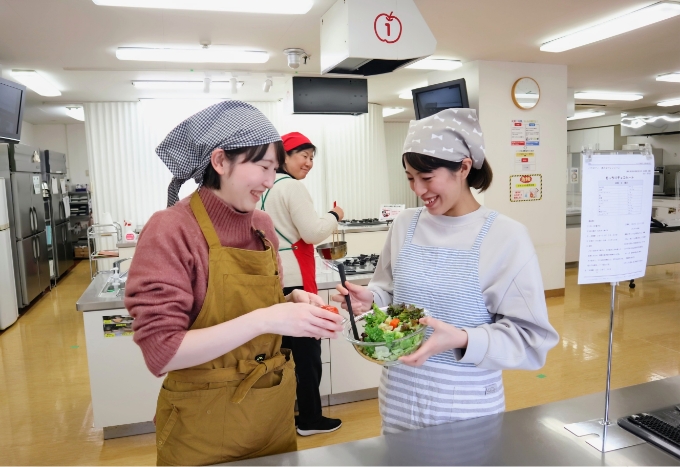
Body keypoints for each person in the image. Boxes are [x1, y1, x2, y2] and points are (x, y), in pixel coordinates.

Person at [124, 101, 343, 466]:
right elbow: (162, 351)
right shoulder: (170, 229)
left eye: (274, 168)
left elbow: (249, 309)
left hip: (270, 414)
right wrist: (269, 318)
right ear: (220, 161)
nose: (270, 181)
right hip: (203, 422)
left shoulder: (262, 225)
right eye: (263, 167)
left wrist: (289, 302)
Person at [332, 108, 559, 434]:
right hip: (399, 402)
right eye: (410, 178)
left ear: (463, 167)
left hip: (467, 412)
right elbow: (390, 291)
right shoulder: (405, 225)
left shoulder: (505, 236)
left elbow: (531, 340)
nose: (417, 189)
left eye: (426, 178)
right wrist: (371, 299)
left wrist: (463, 339)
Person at [260, 132, 344, 436]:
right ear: (284, 156)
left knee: (280, 355)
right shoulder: (292, 187)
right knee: (307, 356)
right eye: (303, 156)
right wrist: (334, 215)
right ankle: (310, 419)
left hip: (273, 279)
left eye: (311, 157)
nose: (308, 163)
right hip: (296, 280)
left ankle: (280, 417)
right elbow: (312, 232)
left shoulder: (264, 188)